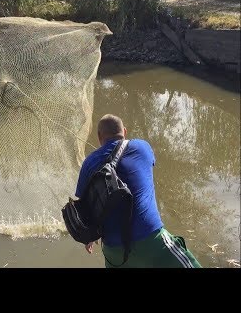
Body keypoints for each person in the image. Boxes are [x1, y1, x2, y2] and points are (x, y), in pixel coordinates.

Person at [75, 114, 201, 268]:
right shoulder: (142, 147)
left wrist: (89, 238)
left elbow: (83, 206)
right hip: (151, 240)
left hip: (114, 250)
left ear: (99, 136)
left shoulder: (89, 162)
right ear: (125, 131)